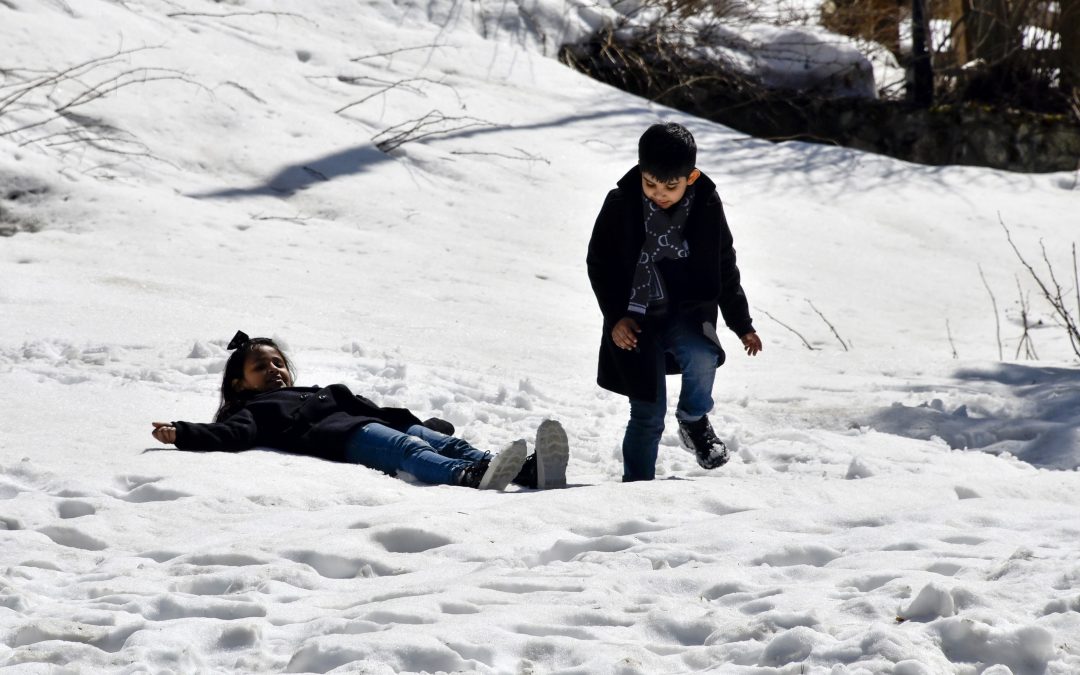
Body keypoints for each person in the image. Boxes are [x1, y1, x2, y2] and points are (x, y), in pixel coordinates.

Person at [150, 331, 569, 490]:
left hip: (371, 421)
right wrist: (184, 433)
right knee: (407, 450)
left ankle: (518, 471)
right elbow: (229, 435)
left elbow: (370, 407)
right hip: (344, 438)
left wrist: (423, 422)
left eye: (278, 362)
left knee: (444, 440)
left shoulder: (316, 390)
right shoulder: (255, 410)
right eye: (261, 367)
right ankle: (468, 477)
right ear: (241, 382)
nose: (274, 371)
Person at [586, 122, 763, 482]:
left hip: (686, 314)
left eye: (671, 186)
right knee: (647, 413)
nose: (659, 194)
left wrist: (741, 323)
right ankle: (637, 488)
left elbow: (724, 264)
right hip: (635, 323)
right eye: (650, 183)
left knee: (704, 355)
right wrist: (615, 317)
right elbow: (599, 264)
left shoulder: (707, 205)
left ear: (690, 176)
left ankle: (694, 421)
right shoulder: (620, 204)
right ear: (640, 171)